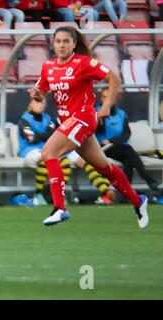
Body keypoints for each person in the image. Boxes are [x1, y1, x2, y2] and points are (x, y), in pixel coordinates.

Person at [30, 26, 149, 228]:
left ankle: (60, 208)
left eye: (66, 41)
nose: (61, 45)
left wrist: (106, 104)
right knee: (105, 168)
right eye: (58, 41)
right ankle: (139, 202)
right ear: (53, 43)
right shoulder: (48, 66)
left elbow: (114, 78)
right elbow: (42, 92)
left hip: (83, 118)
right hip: (68, 123)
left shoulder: (83, 63)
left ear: (74, 44)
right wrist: (37, 95)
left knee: (48, 152)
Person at [95, 87, 162, 200]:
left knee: (128, 159)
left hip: (118, 147)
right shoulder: (96, 112)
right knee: (129, 151)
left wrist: (112, 141)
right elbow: (97, 130)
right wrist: (100, 119)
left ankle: (125, 193)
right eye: (104, 97)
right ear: (101, 99)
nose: (106, 100)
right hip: (103, 148)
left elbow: (126, 133)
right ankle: (147, 178)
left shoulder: (121, 113)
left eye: (109, 97)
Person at [17, 98, 72, 206]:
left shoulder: (48, 118)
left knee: (65, 162)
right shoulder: (24, 120)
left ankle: (59, 194)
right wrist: (46, 135)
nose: (40, 105)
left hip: (48, 150)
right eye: (37, 102)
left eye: (42, 103)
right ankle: (38, 194)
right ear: (31, 103)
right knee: (43, 159)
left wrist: (41, 135)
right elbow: (32, 139)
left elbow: (51, 134)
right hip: (29, 151)